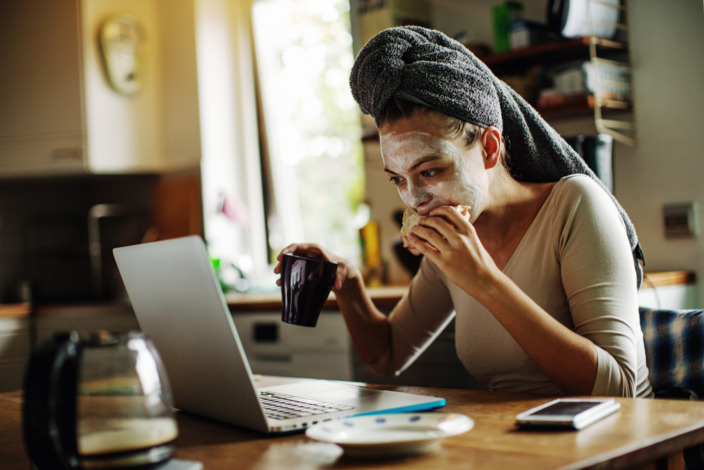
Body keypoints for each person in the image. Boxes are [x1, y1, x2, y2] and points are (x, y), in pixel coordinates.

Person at [275, 26, 652, 398]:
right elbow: (388, 356)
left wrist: (484, 281)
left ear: (489, 148)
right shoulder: (450, 243)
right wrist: (350, 285)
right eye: (398, 180)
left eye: (430, 171)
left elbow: (619, 389)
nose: (416, 200)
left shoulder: (575, 206)